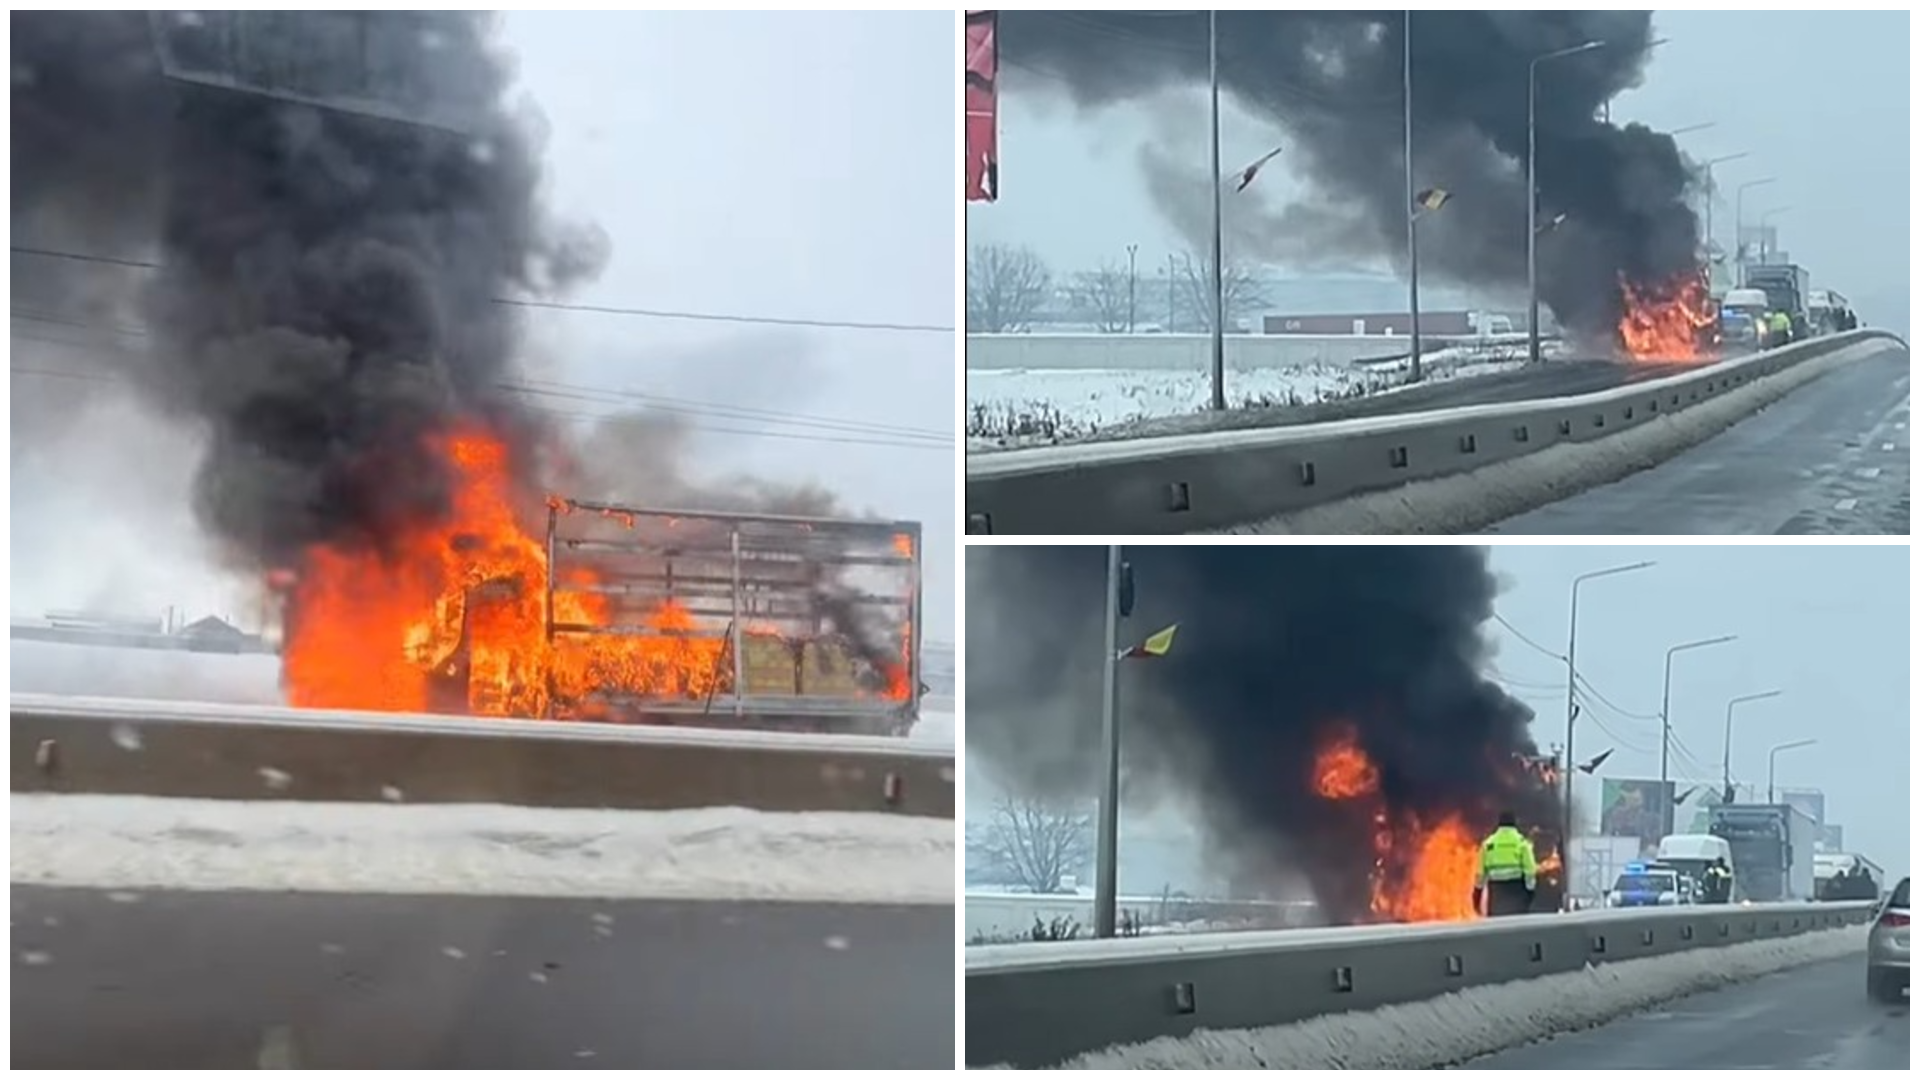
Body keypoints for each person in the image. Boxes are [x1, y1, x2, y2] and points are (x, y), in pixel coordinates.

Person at [1474, 810, 1538, 917]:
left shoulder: (1488, 844)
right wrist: (1530, 892)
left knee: (1497, 925)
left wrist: (1477, 895)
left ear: (1499, 825)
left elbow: (1480, 874)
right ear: (1514, 824)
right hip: (1517, 890)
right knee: (1516, 925)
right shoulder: (1522, 843)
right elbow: (1530, 870)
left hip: (1496, 892)